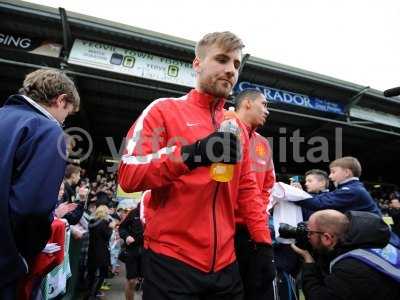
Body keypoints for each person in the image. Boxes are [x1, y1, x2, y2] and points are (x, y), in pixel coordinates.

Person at [119, 31, 271, 299]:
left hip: (226, 264)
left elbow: (248, 190)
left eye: (236, 64)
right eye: (222, 60)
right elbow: (129, 174)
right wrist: (193, 153)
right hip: (171, 262)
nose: (230, 70)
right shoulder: (164, 109)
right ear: (197, 64)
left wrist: (263, 243)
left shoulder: (235, 125)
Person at [0, 69, 79, 298]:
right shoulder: (48, 130)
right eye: (68, 113)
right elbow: (31, 207)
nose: (65, 121)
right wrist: (24, 258)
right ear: (61, 100)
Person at [291, 209, 400, 300]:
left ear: (327, 238)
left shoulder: (351, 269)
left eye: (310, 232)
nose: (307, 236)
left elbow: (319, 296)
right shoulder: (375, 241)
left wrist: (309, 262)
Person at [233, 89, 275, 299]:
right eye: (264, 104)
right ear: (247, 103)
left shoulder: (263, 144)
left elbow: (268, 186)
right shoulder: (220, 125)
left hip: (251, 231)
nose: (267, 111)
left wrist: (257, 212)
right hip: (220, 229)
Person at [296, 156, 381, 215]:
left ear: (347, 173)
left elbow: (318, 203)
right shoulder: (353, 188)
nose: (330, 176)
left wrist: (294, 195)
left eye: (333, 172)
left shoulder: (352, 190)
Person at [87, 205, 114, 300]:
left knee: (91, 274)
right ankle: (93, 294)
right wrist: (111, 228)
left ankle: (89, 293)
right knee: (102, 274)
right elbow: (107, 236)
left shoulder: (91, 222)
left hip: (91, 250)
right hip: (102, 251)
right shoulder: (104, 223)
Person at [118, 204, 144, 300]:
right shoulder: (134, 212)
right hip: (133, 250)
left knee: (148, 283)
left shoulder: (155, 211)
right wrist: (126, 236)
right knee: (132, 281)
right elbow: (122, 228)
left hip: (148, 251)